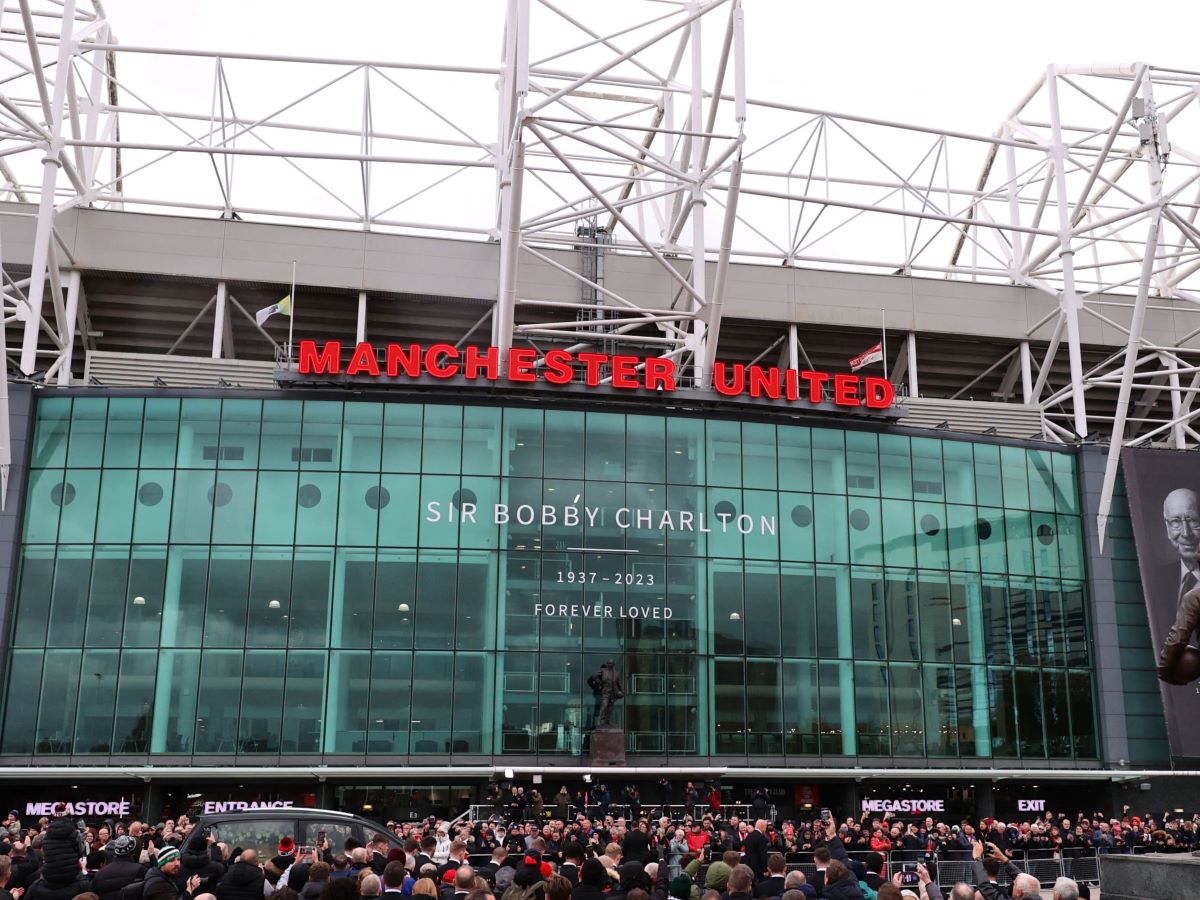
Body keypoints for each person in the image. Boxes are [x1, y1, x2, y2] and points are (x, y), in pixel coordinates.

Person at [1155, 489, 1200, 684]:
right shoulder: (1160, 577)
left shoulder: (1194, 598)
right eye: (1176, 522)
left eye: (1193, 521)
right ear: (1166, 527)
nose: (1186, 533)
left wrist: (1165, 673)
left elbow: (1177, 640)